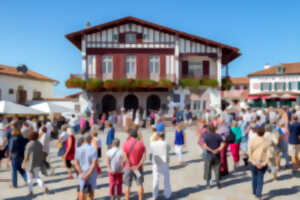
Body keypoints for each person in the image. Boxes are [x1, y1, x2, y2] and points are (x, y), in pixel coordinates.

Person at [22, 131, 49, 196]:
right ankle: (44, 186)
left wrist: (23, 163)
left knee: (29, 178)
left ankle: (30, 191)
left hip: (30, 163)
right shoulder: (39, 144)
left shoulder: (29, 144)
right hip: (37, 163)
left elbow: (26, 156)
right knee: (37, 177)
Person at [122, 128, 146, 200]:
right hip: (138, 168)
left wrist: (130, 165)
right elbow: (144, 158)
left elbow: (125, 157)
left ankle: (127, 198)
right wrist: (137, 166)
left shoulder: (125, 143)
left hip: (128, 168)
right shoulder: (141, 144)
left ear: (130, 135)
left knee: (127, 185)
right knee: (139, 184)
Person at [248, 127, 270, 200]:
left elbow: (249, 153)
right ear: (264, 133)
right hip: (262, 162)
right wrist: (263, 163)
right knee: (260, 178)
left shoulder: (252, 140)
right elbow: (268, 155)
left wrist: (254, 162)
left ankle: (254, 192)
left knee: (254, 177)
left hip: (253, 161)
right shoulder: (267, 142)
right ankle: (258, 195)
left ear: (256, 133)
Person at [74, 134, 98, 200]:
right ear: (90, 140)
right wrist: (88, 174)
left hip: (81, 171)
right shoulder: (93, 149)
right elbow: (94, 164)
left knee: (81, 189)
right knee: (91, 191)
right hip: (91, 172)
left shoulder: (78, 149)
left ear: (84, 140)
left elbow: (76, 163)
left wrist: (82, 173)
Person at [150, 133, 172, 199]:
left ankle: (155, 195)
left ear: (158, 136)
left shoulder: (153, 144)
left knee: (155, 179)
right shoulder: (166, 143)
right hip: (164, 163)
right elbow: (169, 149)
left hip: (156, 163)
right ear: (164, 137)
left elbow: (151, 152)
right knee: (166, 179)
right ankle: (167, 195)